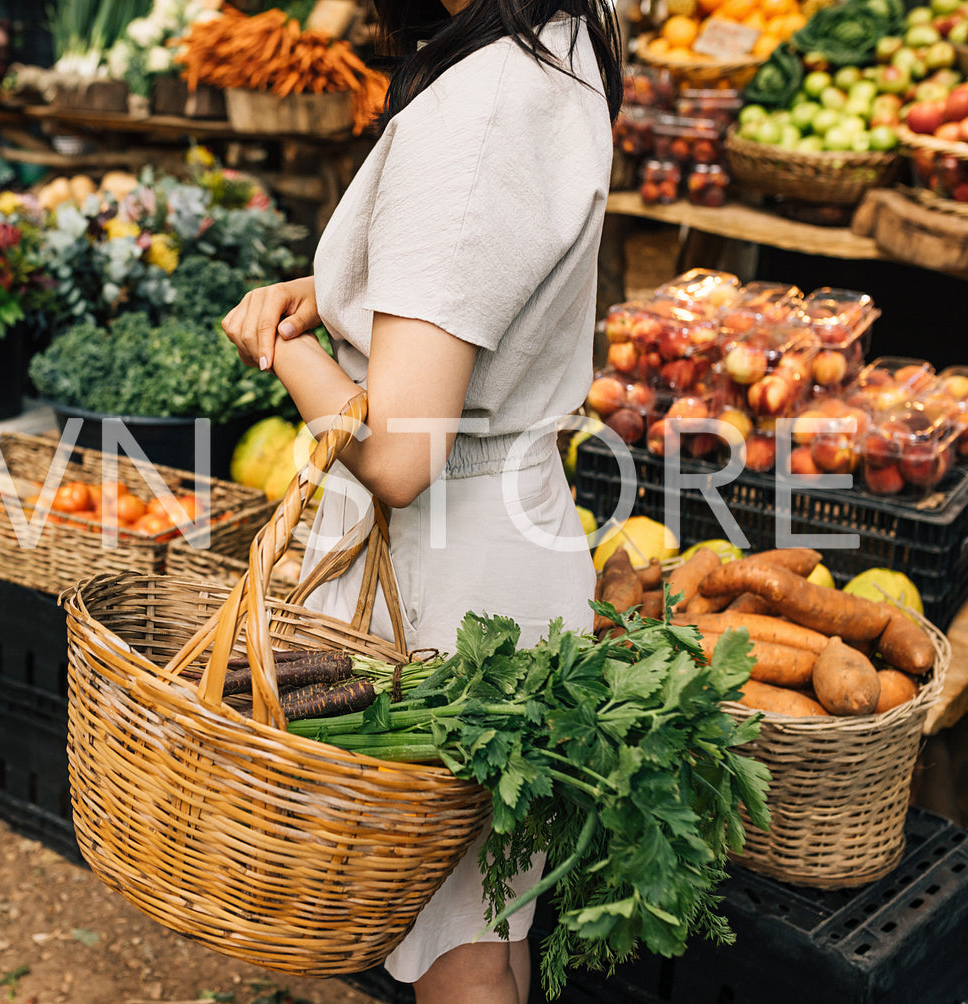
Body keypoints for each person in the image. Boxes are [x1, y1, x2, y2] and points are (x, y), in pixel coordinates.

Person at [220, 0, 623, 997]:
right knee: (484, 912)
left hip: (445, 583)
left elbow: (398, 452)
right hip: (504, 546)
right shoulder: (559, 39)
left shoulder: (478, 112)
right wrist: (351, 295)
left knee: (460, 946)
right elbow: (487, 265)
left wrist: (287, 349)